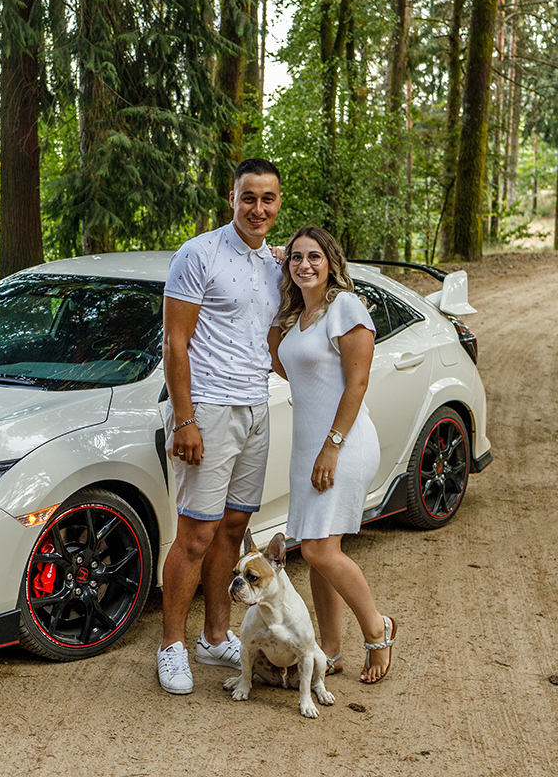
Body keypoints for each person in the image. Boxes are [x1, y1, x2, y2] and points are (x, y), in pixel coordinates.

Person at [158, 158, 283, 695]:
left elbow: (274, 342)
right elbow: (174, 342)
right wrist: (184, 418)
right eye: (248, 197)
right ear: (231, 198)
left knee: (233, 529)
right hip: (206, 410)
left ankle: (214, 636)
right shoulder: (200, 253)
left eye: (268, 199)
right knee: (196, 534)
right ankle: (171, 647)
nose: (258, 208)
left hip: (257, 409)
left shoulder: (275, 265)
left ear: (279, 204)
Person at [268, 225, 397, 684]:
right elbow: (282, 366)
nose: (304, 264)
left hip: (341, 445)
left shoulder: (345, 307)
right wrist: (270, 263)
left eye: (314, 257)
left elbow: (357, 384)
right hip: (308, 450)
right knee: (317, 549)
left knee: (322, 550)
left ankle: (377, 630)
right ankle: (331, 650)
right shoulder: (297, 317)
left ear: (332, 263)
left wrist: (331, 447)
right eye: (296, 258)